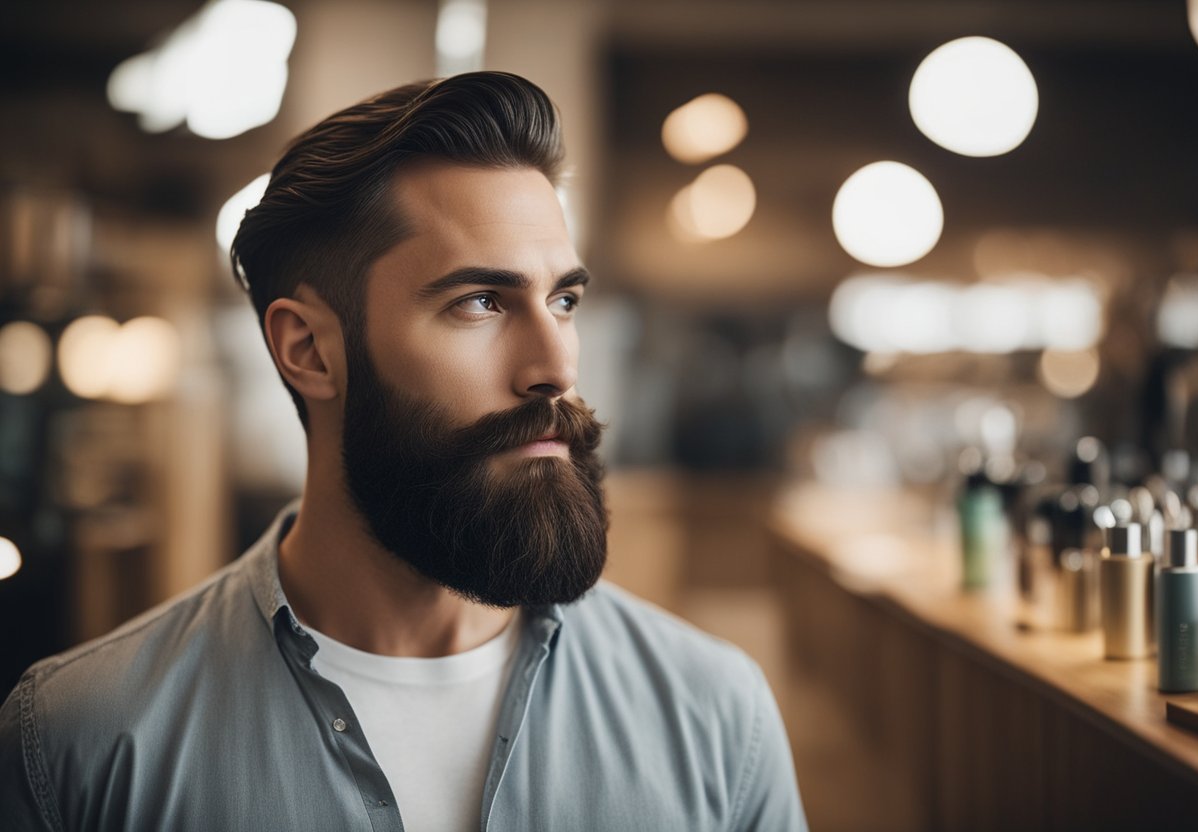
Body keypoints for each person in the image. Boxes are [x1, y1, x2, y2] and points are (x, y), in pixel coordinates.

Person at [0, 71, 807, 831]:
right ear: (310, 350)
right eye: (481, 301)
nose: (556, 367)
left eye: (563, 299)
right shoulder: (82, 745)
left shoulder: (713, 716)